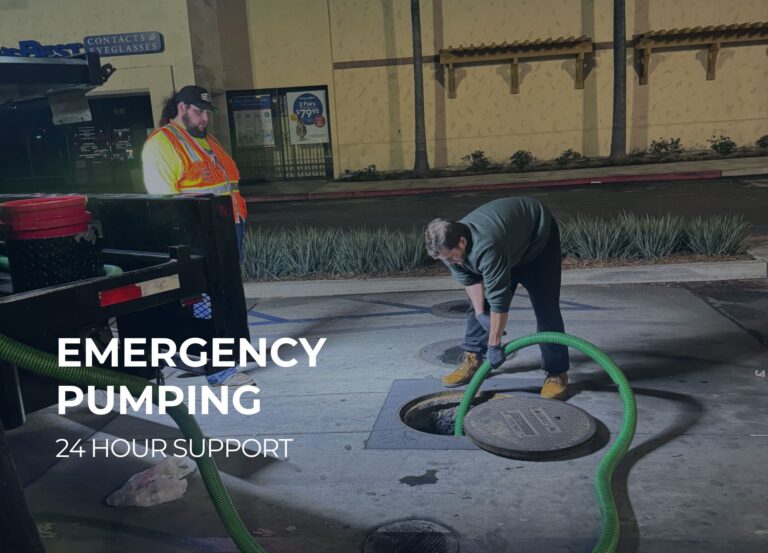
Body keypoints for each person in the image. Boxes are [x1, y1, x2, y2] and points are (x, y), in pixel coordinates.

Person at [142, 85, 253, 387]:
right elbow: (165, 203)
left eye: (206, 112)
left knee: (222, 297)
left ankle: (217, 355)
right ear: (180, 108)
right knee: (207, 300)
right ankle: (217, 369)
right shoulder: (162, 143)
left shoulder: (205, 140)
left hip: (226, 228)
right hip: (199, 235)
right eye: (198, 111)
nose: (204, 117)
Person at [424, 196, 570, 399]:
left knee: (546, 308)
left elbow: (499, 301)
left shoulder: (487, 245)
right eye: (444, 259)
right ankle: (473, 358)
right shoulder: (448, 247)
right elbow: (471, 281)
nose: (449, 262)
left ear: (463, 241)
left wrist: (494, 344)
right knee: (479, 305)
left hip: (537, 244)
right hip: (509, 243)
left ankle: (556, 373)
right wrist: (480, 312)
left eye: (450, 258)